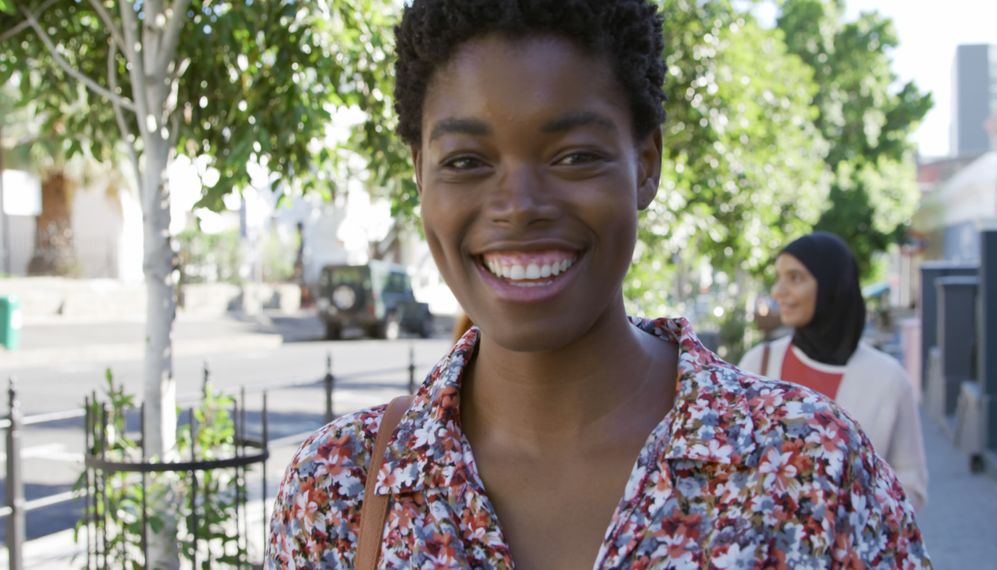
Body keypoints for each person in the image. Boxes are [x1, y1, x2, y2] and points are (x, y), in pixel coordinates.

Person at [267, 1, 930, 567]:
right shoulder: (341, 487)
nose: (518, 204)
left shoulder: (809, 468)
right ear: (420, 174)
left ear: (646, 164)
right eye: (466, 160)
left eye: (575, 155)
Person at [739, 232, 929, 510]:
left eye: (795, 278)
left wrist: (842, 510)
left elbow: (913, 486)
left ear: (832, 285)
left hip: (852, 550)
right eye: (778, 277)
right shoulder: (758, 365)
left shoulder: (889, 380)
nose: (778, 291)